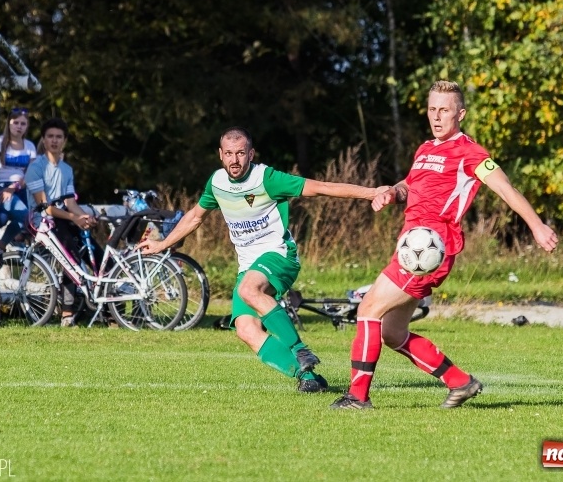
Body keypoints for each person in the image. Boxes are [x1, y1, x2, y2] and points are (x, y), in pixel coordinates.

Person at [330, 80, 558, 410]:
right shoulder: (425, 149)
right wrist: (391, 193)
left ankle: (357, 397)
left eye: (445, 111)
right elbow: (410, 185)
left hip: (430, 251)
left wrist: (536, 226)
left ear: (460, 114)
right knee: (392, 333)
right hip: (411, 247)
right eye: (432, 109)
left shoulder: (471, 153)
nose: (437, 117)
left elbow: (505, 188)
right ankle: (460, 382)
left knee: (368, 310)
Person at [139, 127, 388, 392]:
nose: (235, 160)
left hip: (279, 255)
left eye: (241, 153)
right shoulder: (217, 183)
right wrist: (163, 244)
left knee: (249, 289)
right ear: (221, 155)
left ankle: (300, 349)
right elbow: (195, 216)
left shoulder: (266, 178)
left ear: (251, 154)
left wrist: (372, 193)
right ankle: (308, 379)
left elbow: (322, 187)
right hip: (248, 266)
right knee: (246, 329)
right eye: (230, 154)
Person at [25, 117, 99, 327]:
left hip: (63, 218)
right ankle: (67, 312)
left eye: (59, 137)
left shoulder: (67, 169)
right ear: (44, 140)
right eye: (50, 137)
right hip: (42, 222)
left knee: (96, 252)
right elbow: (44, 206)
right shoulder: (35, 168)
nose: (54, 141)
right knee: (71, 255)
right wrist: (73, 217)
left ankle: (109, 310)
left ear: (64, 141)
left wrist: (83, 216)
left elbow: (70, 202)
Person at [0, 107, 35, 250]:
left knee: (24, 219)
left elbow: (30, 174)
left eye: (23, 124)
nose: (19, 126)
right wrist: (7, 189)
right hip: (1, 187)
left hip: (19, 188)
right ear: (9, 123)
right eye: (16, 122)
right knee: (23, 216)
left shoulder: (30, 146)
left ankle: (2, 243)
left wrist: (15, 187)